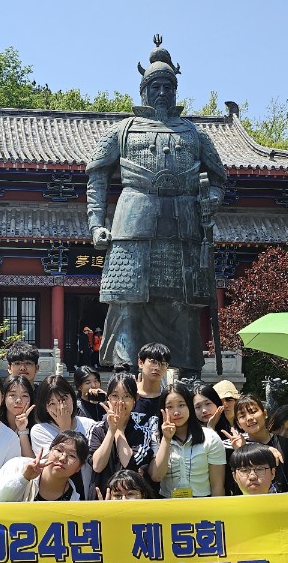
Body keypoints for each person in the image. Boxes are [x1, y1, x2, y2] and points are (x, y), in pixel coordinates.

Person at [86, 35, 225, 374]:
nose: (162, 92)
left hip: (184, 225)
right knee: (128, 301)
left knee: (182, 304)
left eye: (168, 87)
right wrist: (96, 224)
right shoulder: (122, 131)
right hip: (132, 225)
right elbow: (97, 177)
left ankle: (187, 373)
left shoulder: (194, 134)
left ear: (175, 91)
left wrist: (211, 201)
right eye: (155, 86)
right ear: (143, 91)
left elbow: (219, 180)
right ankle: (124, 372)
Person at [149, 382, 227, 498]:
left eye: (181, 405)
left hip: (202, 503)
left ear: (189, 406)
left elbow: (217, 485)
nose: (176, 412)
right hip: (169, 503)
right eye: (170, 407)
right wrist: (166, 439)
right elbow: (156, 476)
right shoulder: (156, 437)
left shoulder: (210, 437)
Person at [87, 374, 154, 499]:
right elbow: (97, 465)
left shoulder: (143, 432)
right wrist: (111, 430)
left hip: (131, 501)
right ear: (108, 398)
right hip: (100, 500)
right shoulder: (96, 429)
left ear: (135, 399)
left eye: (127, 396)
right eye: (115, 396)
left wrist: (118, 429)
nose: (120, 402)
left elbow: (129, 463)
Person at [30, 375, 96, 499]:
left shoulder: (90, 425)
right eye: (52, 403)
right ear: (45, 407)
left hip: (87, 495)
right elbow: (54, 467)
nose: (60, 407)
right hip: (60, 497)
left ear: (73, 398)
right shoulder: (40, 430)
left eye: (64, 399)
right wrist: (65, 427)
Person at [225, 394, 288, 493]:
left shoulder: (285, 445)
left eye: (253, 412)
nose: (249, 418)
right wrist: (242, 451)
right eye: (242, 416)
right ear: (238, 424)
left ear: (265, 414)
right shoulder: (235, 447)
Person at [0, 431, 89, 502]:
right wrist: (23, 478)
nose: (62, 458)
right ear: (49, 452)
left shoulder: (74, 501)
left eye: (72, 456)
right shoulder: (17, 465)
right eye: (59, 450)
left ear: (79, 467)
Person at [132, 341, 170, 427]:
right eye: (153, 362)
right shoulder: (129, 395)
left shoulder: (167, 398)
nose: (157, 368)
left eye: (163, 364)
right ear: (141, 363)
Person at [1, 374, 37, 458]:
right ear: (3, 398)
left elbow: (30, 460)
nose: (18, 400)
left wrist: (22, 430)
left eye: (24, 396)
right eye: (12, 395)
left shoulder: (37, 428)